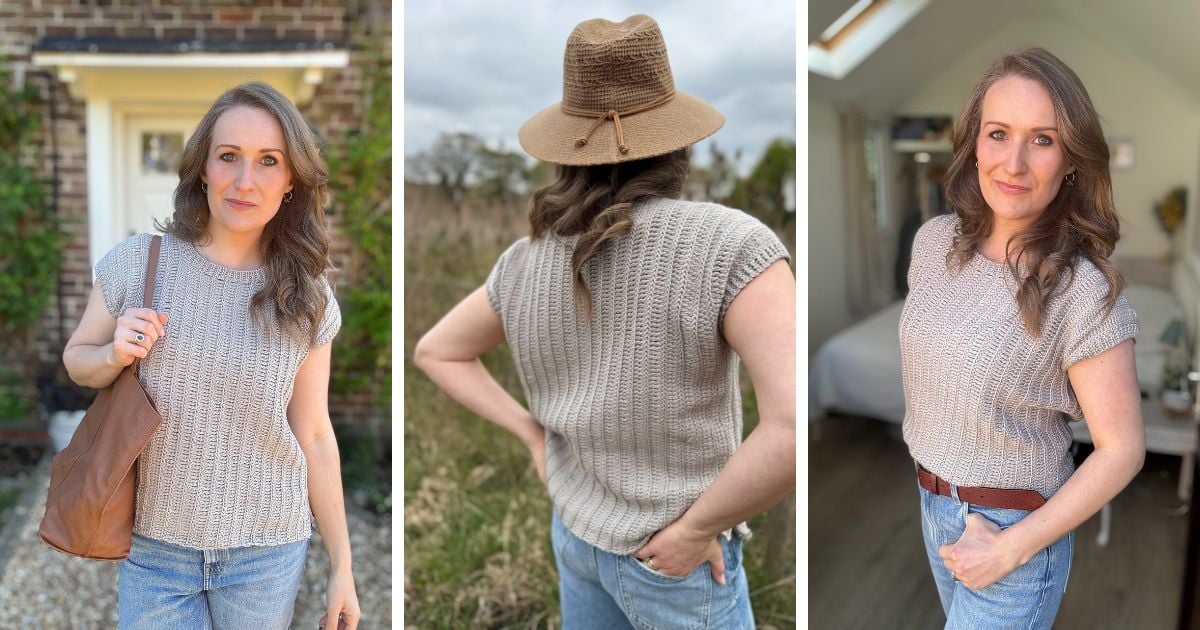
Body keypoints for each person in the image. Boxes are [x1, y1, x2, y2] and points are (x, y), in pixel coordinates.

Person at [414, 14, 795, 630]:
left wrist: (532, 437)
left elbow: (437, 351)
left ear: (569, 146)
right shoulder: (730, 244)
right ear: (677, 137)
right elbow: (792, 430)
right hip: (675, 558)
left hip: (575, 532)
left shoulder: (524, 259)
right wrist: (696, 528)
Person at [62, 82, 361, 630]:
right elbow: (77, 360)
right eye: (229, 157)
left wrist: (343, 566)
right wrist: (112, 352)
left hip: (267, 551)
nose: (245, 181)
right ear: (203, 167)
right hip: (155, 548)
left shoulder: (308, 293)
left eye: (268, 161)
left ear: (291, 179)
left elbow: (314, 432)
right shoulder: (137, 263)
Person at [900, 48, 1144, 628]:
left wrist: (1014, 546)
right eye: (998, 134)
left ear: (1071, 161)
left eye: (1041, 139)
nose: (1012, 163)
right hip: (933, 507)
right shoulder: (933, 244)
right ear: (974, 145)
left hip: (1014, 530)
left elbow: (1122, 450)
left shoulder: (1084, 291)